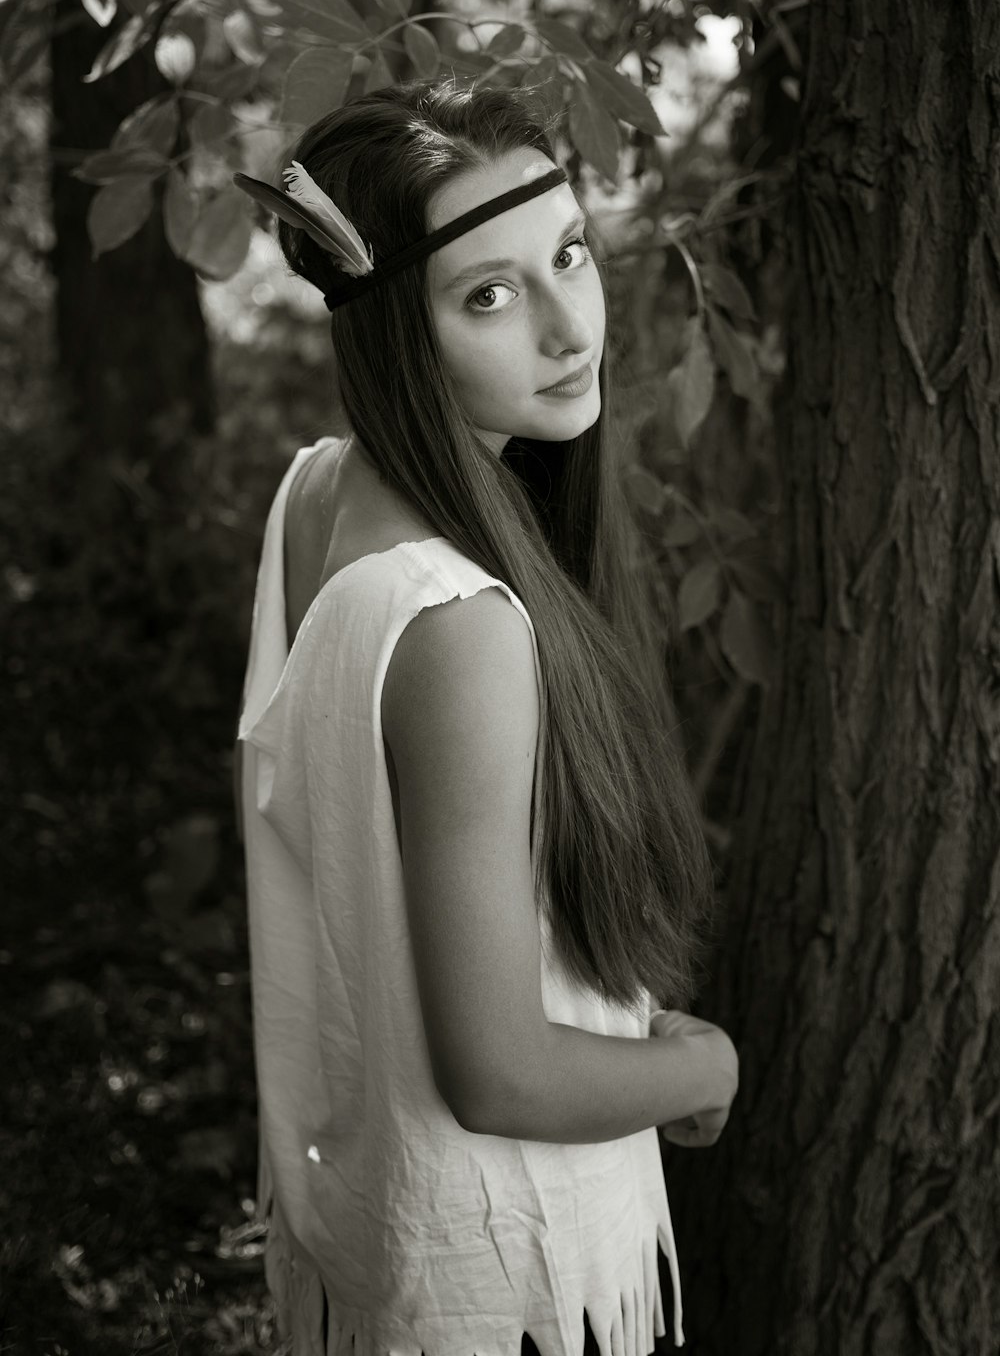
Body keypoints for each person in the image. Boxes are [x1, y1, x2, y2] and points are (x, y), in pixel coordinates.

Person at [235, 77, 738, 1356]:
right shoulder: (460, 625)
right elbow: (498, 1069)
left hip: (375, 1241)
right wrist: (706, 1067)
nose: (572, 329)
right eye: (490, 295)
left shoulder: (316, 495)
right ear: (403, 330)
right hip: (506, 1288)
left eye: (568, 253)